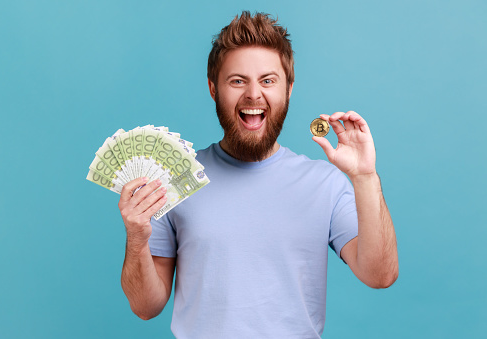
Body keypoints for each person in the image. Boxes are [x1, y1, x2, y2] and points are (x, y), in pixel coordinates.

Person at [118, 11, 398, 338]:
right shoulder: (176, 179)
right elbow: (145, 307)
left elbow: (380, 275)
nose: (253, 94)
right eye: (238, 80)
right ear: (213, 88)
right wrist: (136, 238)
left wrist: (365, 177)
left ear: (289, 88)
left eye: (268, 80)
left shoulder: (326, 184)